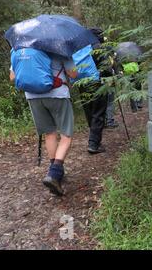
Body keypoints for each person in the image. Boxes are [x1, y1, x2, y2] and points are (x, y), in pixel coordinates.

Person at [10, 56, 77, 196]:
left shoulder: (20, 48)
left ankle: (55, 172)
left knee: (49, 133)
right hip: (58, 93)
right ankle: (55, 172)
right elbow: (73, 73)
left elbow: (12, 77)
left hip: (33, 96)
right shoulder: (59, 46)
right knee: (66, 134)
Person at [78, 28, 112, 154]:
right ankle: (93, 144)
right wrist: (111, 77)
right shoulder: (97, 46)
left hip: (82, 83)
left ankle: (94, 138)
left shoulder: (80, 46)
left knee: (89, 110)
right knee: (98, 112)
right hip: (97, 82)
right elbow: (105, 67)